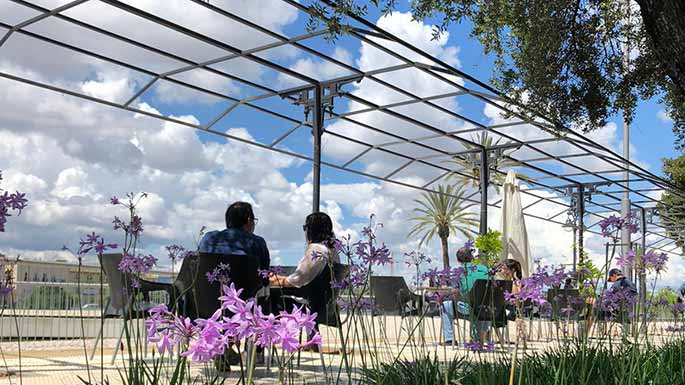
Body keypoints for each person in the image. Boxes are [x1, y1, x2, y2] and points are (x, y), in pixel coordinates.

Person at [198, 201, 270, 369]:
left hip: (206, 303)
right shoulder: (257, 242)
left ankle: (221, 346)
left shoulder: (209, 238)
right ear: (248, 220)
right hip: (243, 308)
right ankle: (254, 354)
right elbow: (264, 276)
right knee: (263, 299)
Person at [439, 246, 489, 345]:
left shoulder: (458, 272)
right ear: (472, 258)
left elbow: (455, 291)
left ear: (458, 260)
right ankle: (478, 338)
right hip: (487, 308)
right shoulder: (484, 269)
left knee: (446, 305)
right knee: (478, 303)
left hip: (468, 309)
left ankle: (449, 339)